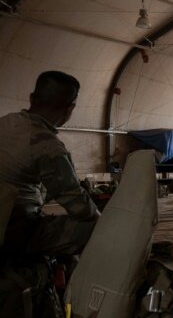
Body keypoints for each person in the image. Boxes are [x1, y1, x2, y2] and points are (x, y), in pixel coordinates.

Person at [0, 71, 100, 258]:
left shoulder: (5, 122)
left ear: (31, 98)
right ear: (70, 108)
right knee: (100, 229)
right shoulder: (49, 146)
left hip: (6, 215)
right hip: (14, 231)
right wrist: (99, 217)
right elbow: (78, 206)